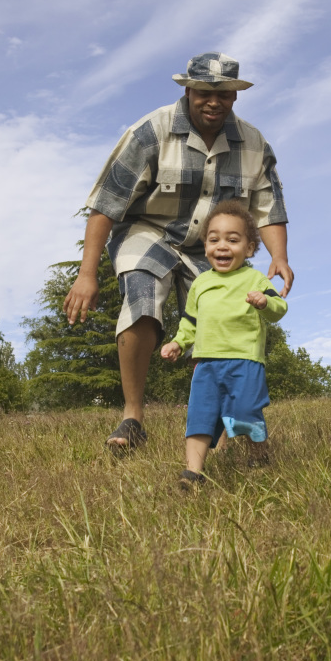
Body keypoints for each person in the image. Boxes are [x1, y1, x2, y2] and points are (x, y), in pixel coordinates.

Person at [63, 52, 293, 455]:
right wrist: (87, 274)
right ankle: (133, 416)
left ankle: (218, 427)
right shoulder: (151, 132)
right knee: (143, 292)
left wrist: (280, 257)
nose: (213, 101)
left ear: (235, 97)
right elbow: (106, 204)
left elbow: (268, 207)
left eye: (223, 94)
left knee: (221, 316)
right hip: (147, 230)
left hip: (211, 244)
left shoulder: (254, 144)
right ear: (188, 89)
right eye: (204, 91)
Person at [160, 201, 288, 489]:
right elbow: (190, 321)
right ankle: (193, 474)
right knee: (200, 415)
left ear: (249, 248)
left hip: (245, 361)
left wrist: (265, 301)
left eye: (233, 240)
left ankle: (259, 455)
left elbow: (279, 308)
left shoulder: (254, 278)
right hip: (205, 363)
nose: (222, 246)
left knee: (244, 413)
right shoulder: (201, 283)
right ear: (205, 245)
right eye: (214, 239)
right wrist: (179, 343)